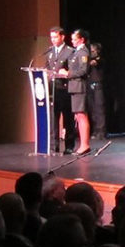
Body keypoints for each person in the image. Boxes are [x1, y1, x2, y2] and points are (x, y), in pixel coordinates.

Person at [60, 29, 92, 156]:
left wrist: (68, 73)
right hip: (74, 86)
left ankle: (85, 145)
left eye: (74, 39)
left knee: (81, 116)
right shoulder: (76, 52)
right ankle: (83, 144)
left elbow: (83, 70)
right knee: (78, 116)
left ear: (82, 39)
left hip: (79, 86)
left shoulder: (83, 52)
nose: (72, 41)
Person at [46, 26, 77, 154]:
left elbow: (73, 69)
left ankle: (69, 145)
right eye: (51, 37)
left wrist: (65, 73)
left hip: (65, 88)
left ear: (62, 37)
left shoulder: (70, 51)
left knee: (67, 118)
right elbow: (47, 67)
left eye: (55, 37)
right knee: (53, 117)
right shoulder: (49, 51)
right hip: (53, 89)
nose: (53, 40)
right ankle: (54, 145)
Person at [87, 38, 107, 140]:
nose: (91, 53)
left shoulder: (100, 59)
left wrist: (88, 61)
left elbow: (94, 63)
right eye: (90, 51)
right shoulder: (88, 59)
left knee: (99, 109)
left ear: (97, 51)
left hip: (98, 86)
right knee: (92, 109)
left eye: (93, 51)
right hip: (89, 86)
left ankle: (101, 131)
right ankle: (95, 130)